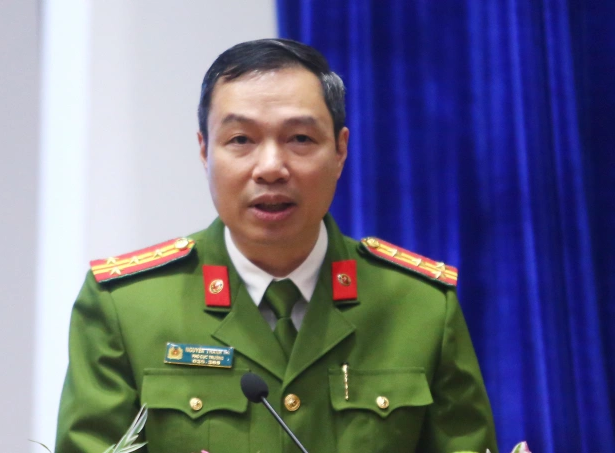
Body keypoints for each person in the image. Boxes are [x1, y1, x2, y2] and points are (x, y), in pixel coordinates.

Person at [55, 38, 498, 453]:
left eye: (300, 139)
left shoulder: (420, 307)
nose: (270, 168)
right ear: (205, 152)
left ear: (340, 151)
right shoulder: (126, 308)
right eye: (241, 140)